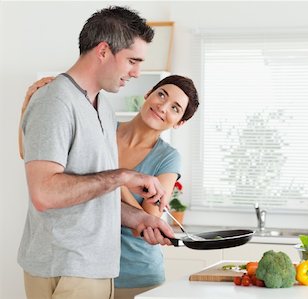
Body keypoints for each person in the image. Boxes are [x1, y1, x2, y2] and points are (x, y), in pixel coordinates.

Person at [18, 6, 175, 299]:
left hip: (95, 269)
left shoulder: (103, 106)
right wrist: (124, 176)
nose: (137, 72)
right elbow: (45, 193)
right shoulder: (55, 101)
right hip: (65, 268)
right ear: (103, 51)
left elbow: (91, 194)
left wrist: (139, 219)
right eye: (132, 60)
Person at [22, 75, 200, 299]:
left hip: (136, 273)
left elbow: (145, 223)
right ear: (148, 94)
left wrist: (115, 176)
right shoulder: (102, 127)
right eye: (161, 94)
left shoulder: (168, 158)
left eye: (175, 108)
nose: (162, 107)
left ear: (179, 122)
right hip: (82, 266)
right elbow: (36, 159)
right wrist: (28, 107)